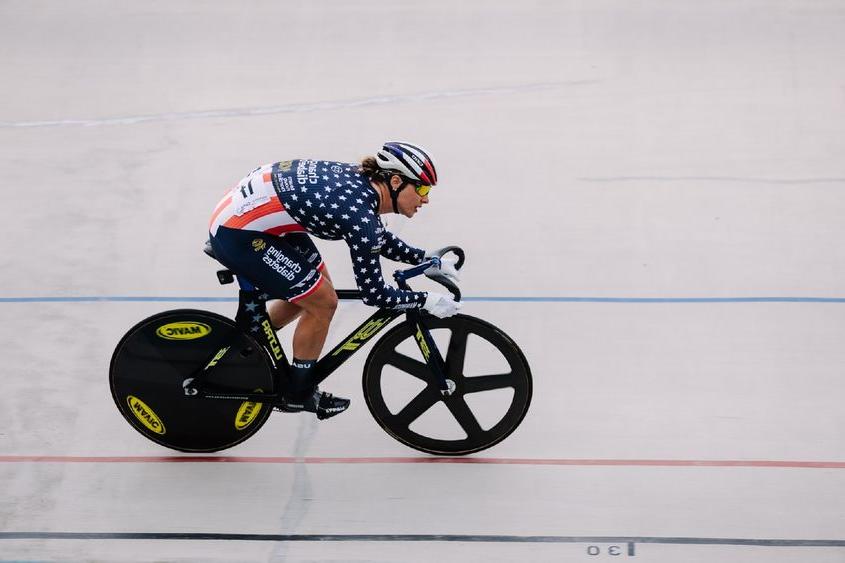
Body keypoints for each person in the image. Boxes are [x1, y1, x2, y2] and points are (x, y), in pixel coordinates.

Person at [207, 142, 462, 420]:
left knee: (315, 289)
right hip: (240, 232)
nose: (425, 199)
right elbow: (374, 293)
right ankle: (298, 391)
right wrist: (425, 301)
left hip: (255, 214)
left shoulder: (364, 188)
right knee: (323, 302)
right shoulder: (358, 213)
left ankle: (250, 346)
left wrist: (424, 258)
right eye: (422, 189)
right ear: (396, 181)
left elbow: (376, 237)